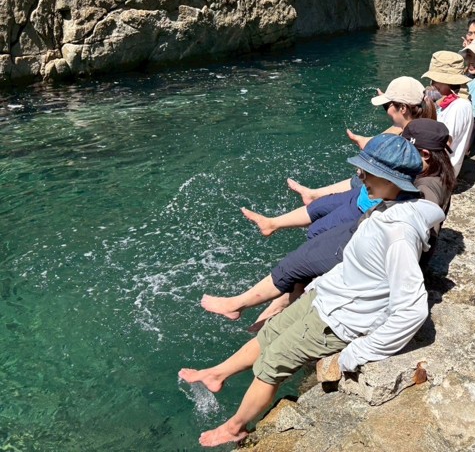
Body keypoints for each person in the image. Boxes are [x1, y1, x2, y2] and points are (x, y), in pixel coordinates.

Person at [179, 134, 445, 447]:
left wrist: (355, 354)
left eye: (367, 172)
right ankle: (217, 374)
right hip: (327, 296)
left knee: (271, 364)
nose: (359, 176)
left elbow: (412, 309)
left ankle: (236, 426)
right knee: (269, 333)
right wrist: (318, 285)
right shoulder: (387, 206)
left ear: (392, 178)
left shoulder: (399, 232)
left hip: (340, 318)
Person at [200, 121, 456, 325]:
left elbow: (420, 231)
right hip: (364, 227)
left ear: (424, 154)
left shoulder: (428, 188)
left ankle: (240, 306)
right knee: (306, 253)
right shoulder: (432, 174)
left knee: (296, 263)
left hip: (363, 239)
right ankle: (269, 306)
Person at [239, 76, 434, 241]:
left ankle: (308, 274)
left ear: (403, 109)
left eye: (386, 107)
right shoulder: (415, 129)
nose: (386, 111)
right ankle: (274, 221)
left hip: (369, 205)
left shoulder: (412, 141)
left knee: (317, 230)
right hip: (367, 195)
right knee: (318, 206)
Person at [421, 51, 473, 176]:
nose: (432, 84)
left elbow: (443, 146)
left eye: (435, 80)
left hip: (440, 173)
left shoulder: (459, 106)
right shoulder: (450, 102)